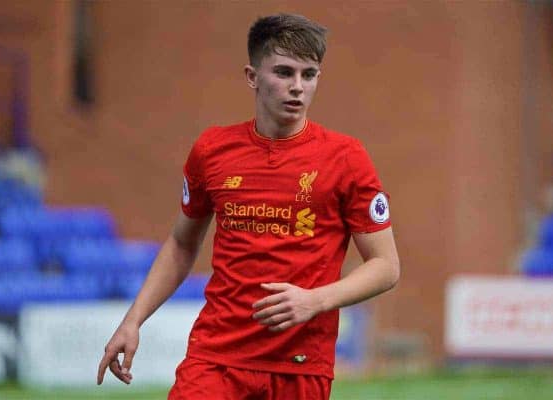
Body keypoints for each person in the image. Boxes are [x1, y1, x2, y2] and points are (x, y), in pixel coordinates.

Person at [97, 13, 400, 400]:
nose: (297, 88)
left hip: (300, 364)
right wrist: (133, 320)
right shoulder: (213, 150)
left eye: (309, 75)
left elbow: (386, 265)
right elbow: (181, 244)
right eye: (284, 72)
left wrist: (314, 300)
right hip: (216, 357)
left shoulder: (346, 158)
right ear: (252, 76)